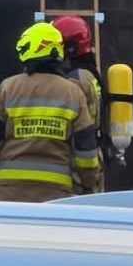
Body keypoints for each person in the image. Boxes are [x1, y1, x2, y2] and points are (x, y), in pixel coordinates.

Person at [0, 22, 101, 202]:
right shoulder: (73, 92)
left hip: (9, 194)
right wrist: (89, 183)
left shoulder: (8, 87)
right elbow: (85, 150)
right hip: (56, 197)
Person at [52, 15, 105, 189]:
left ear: (70, 47)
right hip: (92, 156)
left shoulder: (75, 80)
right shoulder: (89, 74)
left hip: (77, 164)